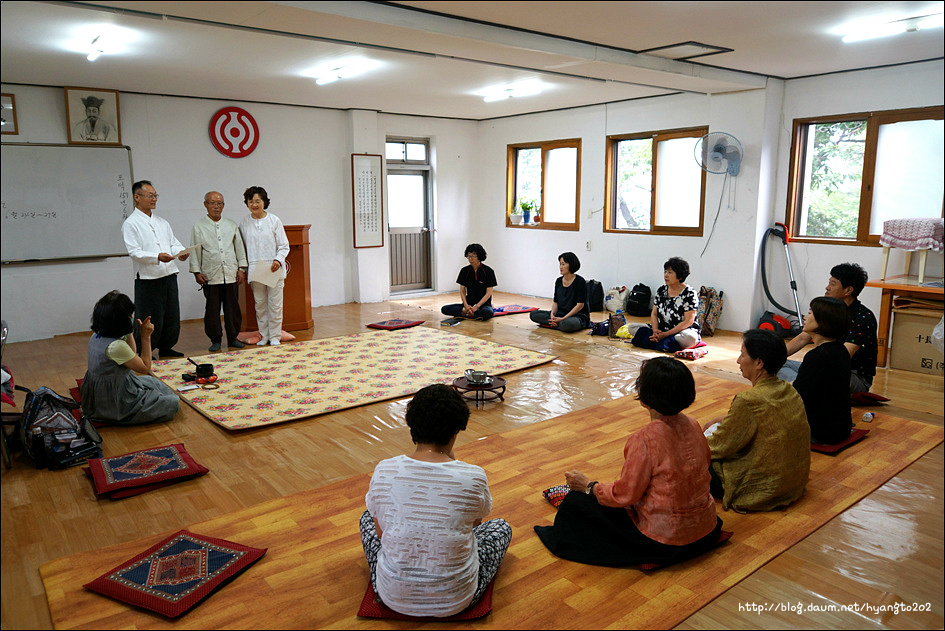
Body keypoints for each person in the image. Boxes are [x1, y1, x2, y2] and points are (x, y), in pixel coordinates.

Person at [534, 357, 722, 567]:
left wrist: (589, 487)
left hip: (669, 539)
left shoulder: (644, 439)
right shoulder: (693, 424)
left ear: (644, 396)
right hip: (706, 527)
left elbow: (625, 495)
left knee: (575, 504)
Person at [360, 384, 512, 617]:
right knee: (501, 527)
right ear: (456, 431)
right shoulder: (473, 476)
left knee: (367, 518)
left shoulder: (385, 470)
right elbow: (474, 525)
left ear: (412, 426)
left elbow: (381, 534)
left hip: (392, 597)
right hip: (457, 600)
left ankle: (399, 580)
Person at [704, 329, 810, 512]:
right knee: (715, 426)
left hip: (764, 487)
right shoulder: (788, 390)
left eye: (742, 354)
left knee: (689, 463)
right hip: (793, 482)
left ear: (759, 363)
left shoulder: (748, 400)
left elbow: (720, 446)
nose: (738, 360)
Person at [79, 291, 179, 425]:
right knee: (173, 403)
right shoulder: (115, 346)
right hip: (113, 401)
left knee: (152, 382)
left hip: (106, 388)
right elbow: (145, 367)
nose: (131, 317)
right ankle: (117, 414)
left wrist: (129, 330)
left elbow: (132, 354)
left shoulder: (98, 335)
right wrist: (146, 336)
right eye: (129, 316)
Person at [779, 263, 878, 393]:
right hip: (824, 367)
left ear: (848, 290)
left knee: (812, 375)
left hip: (852, 375)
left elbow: (842, 356)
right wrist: (772, 358)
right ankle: (799, 388)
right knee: (776, 364)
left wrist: (812, 368)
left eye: (833, 284)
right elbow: (803, 337)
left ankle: (798, 389)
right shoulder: (830, 310)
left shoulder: (864, 317)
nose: (827, 287)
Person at [121, 180, 189, 358]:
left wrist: (181, 252)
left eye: (155, 195)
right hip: (147, 278)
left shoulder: (162, 222)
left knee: (171, 314)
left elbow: (173, 243)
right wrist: (157, 257)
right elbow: (134, 252)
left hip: (169, 273)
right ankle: (144, 351)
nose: (154, 199)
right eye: (150, 195)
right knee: (149, 316)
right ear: (137, 197)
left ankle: (167, 346)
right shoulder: (131, 223)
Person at [190, 191, 248, 352]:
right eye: (212, 203)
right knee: (212, 310)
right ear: (205, 205)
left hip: (231, 274)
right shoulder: (199, 226)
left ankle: (232, 338)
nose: (216, 206)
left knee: (232, 309)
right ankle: (215, 339)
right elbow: (195, 250)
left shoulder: (231, 225)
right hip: (210, 275)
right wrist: (196, 272)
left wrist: (242, 268)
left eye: (219, 203)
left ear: (223, 205)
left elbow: (239, 249)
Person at [792, 297, 854, 444]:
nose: (805, 317)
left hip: (820, 432)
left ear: (822, 322)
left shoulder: (816, 356)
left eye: (810, 313)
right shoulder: (841, 349)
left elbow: (795, 398)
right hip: (841, 427)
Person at [239, 186, 290, 346]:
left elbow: (284, 245)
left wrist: (278, 260)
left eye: (257, 201)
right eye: (251, 201)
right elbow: (241, 248)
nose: (254, 204)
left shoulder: (274, 220)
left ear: (264, 202)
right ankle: (264, 335)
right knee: (260, 305)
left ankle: (275, 336)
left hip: (273, 268)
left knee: (275, 305)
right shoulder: (244, 223)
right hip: (255, 270)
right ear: (247, 203)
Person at [631, 257, 701, 352]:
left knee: (690, 339)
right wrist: (655, 330)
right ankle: (663, 342)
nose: (666, 275)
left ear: (680, 276)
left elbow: (688, 321)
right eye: (665, 272)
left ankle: (660, 341)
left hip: (681, 331)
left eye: (670, 272)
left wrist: (666, 334)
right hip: (661, 329)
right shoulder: (661, 290)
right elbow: (654, 314)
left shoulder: (690, 293)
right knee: (631, 327)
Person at [529, 252, 591, 332]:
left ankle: (559, 323)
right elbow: (556, 302)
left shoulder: (580, 281)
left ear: (571, 265)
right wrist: (552, 315)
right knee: (533, 314)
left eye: (563, 264)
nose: (560, 267)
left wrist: (563, 319)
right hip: (560, 313)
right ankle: (556, 322)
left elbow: (580, 305)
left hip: (576, 316)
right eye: (560, 264)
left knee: (567, 324)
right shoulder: (558, 281)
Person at [441, 244, 498, 320]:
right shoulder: (464, 271)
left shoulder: (488, 271)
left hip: (483, 305)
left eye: (473, 256)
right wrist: (466, 305)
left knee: (487, 312)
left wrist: (476, 306)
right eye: (469, 256)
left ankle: (468, 313)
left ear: (479, 256)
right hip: (468, 304)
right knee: (444, 309)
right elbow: (462, 290)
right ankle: (470, 313)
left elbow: (489, 293)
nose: (470, 259)